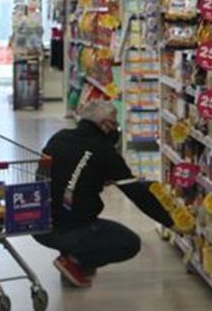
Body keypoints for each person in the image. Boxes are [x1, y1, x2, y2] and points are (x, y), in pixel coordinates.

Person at [34, 100, 173, 287]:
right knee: (129, 242)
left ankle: (73, 255)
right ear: (104, 124)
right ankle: (75, 260)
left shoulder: (59, 137)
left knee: (73, 214)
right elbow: (137, 194)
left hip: (40, 225)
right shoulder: (105, 151)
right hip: (72, 229)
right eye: (114, 124)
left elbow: (65, 172)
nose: (116, 129)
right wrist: (170, 221)